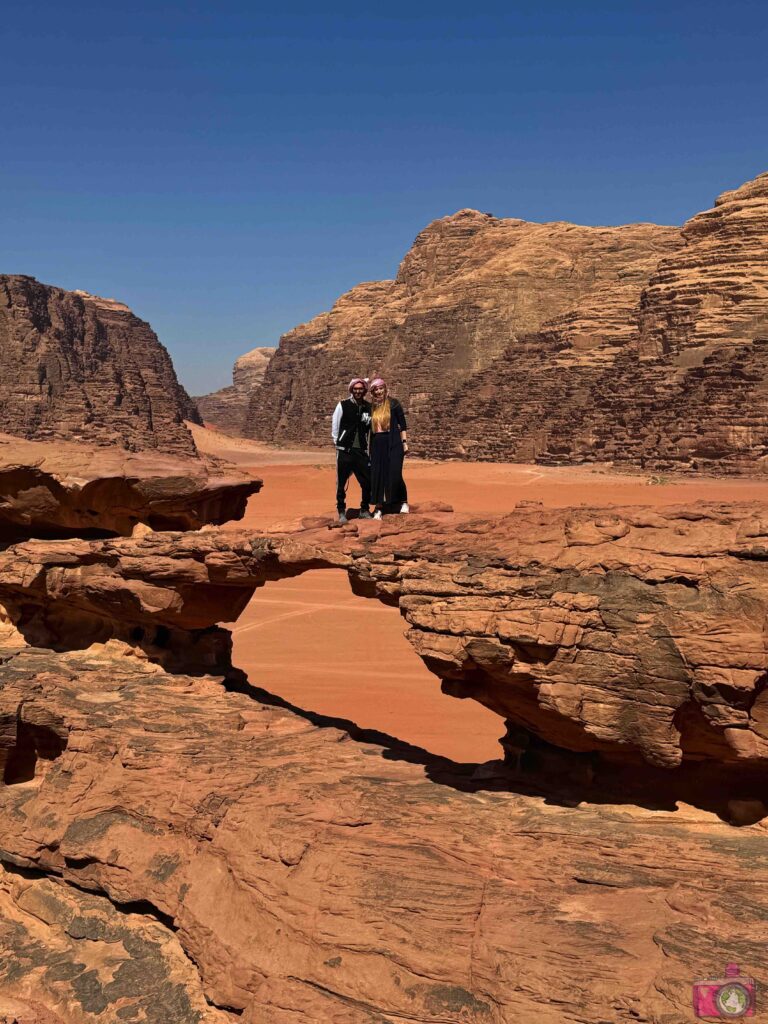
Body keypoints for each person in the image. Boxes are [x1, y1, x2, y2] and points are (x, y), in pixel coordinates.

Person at [331, 378, 373, 524]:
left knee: (367, 481)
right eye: (355, 388)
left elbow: (371, 429)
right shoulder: (343, 405)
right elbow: (335, 425)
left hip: (361, 451)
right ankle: (341, 511)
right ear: (351, 390)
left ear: (365, 390)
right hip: (344, 451)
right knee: (341, 483)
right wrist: (338, 443)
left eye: (361, 388)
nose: (358, 391)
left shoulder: (369, 407)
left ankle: (364, 509)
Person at [368, 378, 409, 519]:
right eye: (375, 390)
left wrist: (404, 443)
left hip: (394, 443)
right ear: (372, 392)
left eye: (381, 388)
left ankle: (403, 502)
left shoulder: (394, 404)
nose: (379, 391)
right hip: (377, 444)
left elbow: (403, 425)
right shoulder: (371, 407)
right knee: (378, 475)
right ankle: (379, 507)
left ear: (385, 388)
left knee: (395, 473)